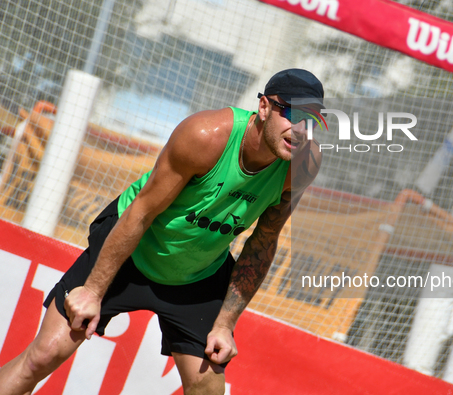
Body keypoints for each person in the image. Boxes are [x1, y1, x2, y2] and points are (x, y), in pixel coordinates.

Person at [0, 68, 324, 395]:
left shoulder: (302, 164)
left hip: (197, 274)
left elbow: (262, 244)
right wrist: (93, 291)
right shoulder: (206, 135)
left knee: (207, 390)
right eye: (293, 114)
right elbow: (142, 212)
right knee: (42, 357)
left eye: (311, 121)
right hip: (130, 250)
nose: (300, 130)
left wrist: (225, 325)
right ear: (265, 107)